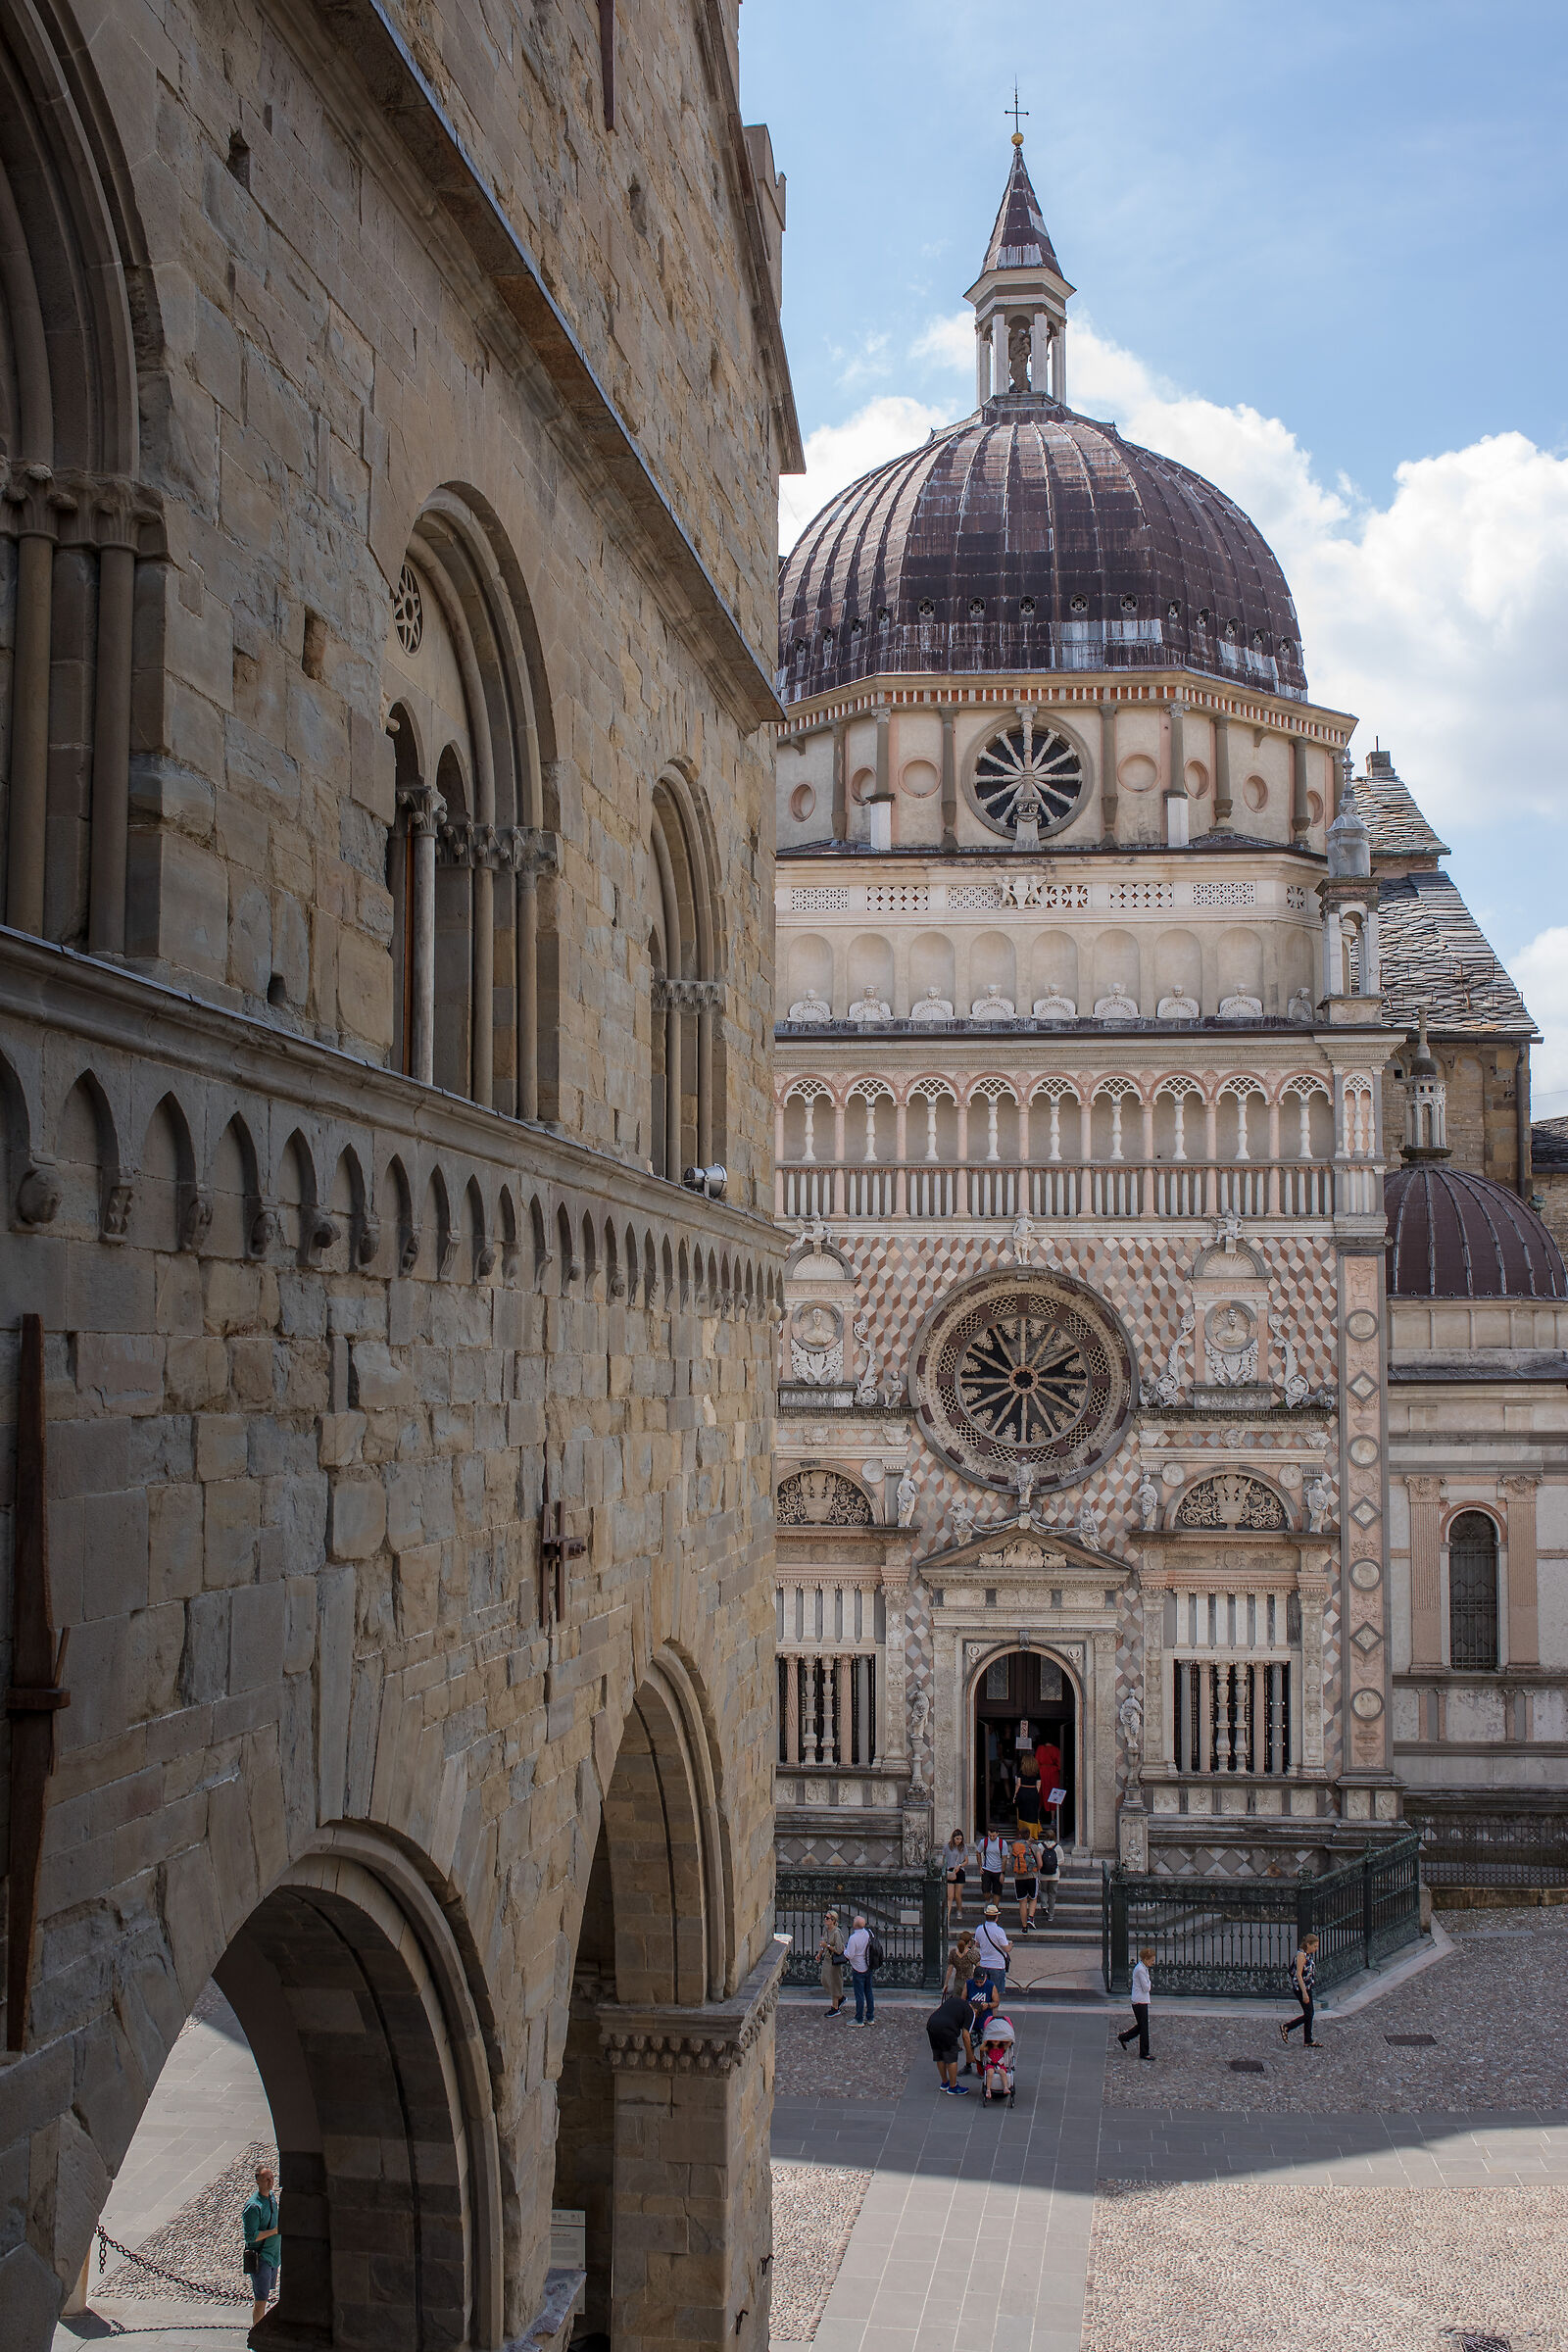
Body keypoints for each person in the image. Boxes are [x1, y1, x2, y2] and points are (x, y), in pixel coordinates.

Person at [242, 2162, 281, 2326]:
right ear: (257, 2181)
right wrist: (275, 2231)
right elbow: (250, 2236)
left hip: (274, 2256)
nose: (270, 2182)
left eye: (272, 2178)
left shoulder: (271, 2198)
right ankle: (256, 2334)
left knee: (266, 2296)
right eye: (266, 2179)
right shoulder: (253, 2206)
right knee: (261, 2300)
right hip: (261, 2257)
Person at [925, 1989, 975, 2094]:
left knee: (939, 2054)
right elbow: (966, 2036)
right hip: (947, 2028)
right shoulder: (971, 2012)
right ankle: (953, 2087)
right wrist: (969, 2054)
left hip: (932, 2023)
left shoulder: (955, 2000)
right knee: (951, 2057)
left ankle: (944, 2083)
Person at [1281, 1932, 1321, 2049]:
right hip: (1301, 1989)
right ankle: (1287, 2027)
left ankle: (1308, 2039)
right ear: (1308, 1944)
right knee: (1308, 2014)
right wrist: (1304, 1993)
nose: (1316, 1948)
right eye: (1315, 1946)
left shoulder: (1308, 1954)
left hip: (1308, 1987)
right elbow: (1298, 1975)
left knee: (1310, 2013)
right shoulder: (1301, 1955)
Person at [1117, 1946, 1155, 2061]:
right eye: (1151, 1960)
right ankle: (1144, 2052)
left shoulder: (1142, 1968)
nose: (1153, 1963)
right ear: (1145, 1959)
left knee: (1141, 2026)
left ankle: (1123, 2037)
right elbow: (1146, 1987)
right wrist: (1150, 1982)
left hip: (1140, 2000)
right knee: (1144, 2028)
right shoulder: (1140, 1970)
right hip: (1140, 2001)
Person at [844, 1913, 875, 2026]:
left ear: (855, 1925)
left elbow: (850, 1955)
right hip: (868, 1966)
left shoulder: (853, 1938)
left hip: (858, 1967)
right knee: (869, 1992)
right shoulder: (868, 1933)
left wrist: (844, 1950)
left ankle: (859, 2019)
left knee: (859, 1994)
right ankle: (870, 2017)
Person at [974, 1904, 1011, 1998]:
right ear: (996, 1917)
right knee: (996, 1995)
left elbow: (977, 1944)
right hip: (997, 1966)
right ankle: (993, 2012)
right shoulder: (999, 1931)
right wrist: (1011, 1945)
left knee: (984, 1994)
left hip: (984, 1964)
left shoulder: (979, 1929)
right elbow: (1006, 1949)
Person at [817, 1910, 846, 2016]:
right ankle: (840, 1997)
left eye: (828, 1918)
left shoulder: (837, 1933)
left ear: (833, 1920)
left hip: (834, 1960)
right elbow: (823, 1943)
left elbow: (839, 1949)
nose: (825, 1919)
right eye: (825, 1917)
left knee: (834, 1982)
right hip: (827, 1959)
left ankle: (835, 2007)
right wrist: (820, 1953)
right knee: (825, 1980)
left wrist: (827, 1946)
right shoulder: (826, 1930)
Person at [1011, 1832, 1040, 1932]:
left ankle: (1024, 1927)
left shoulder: (1014, 1847)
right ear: (1029, 1836)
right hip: (1032, 1875)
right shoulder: (1034, 1847)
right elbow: (1040, 1863)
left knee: (1022, 1902)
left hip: (1019, 1877)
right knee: (1033, 1897)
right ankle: (1030, 1917)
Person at [1014, 1754, 1044, 1838]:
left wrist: (1015, 1796)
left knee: (1022, 1814)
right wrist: (1034, 1793)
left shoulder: (1021, 1772)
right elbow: (1038, 1785)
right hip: (1033, 1793)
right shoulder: (1036, 1772)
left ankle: (1022, 1833)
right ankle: (1032, 1834)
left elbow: (1018, 1785)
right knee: (1033, 1814)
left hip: (1022, 1793)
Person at [944, 1930, 977, 1999]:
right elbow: (978, 1967)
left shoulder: (953, 1952)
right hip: (969, 1982)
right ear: (969, 1942)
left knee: (957, 2004)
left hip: (958, 1982)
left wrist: (946, 1984)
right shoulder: (971, 1954)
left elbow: (949, 1970)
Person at [943, 1828, 968, 1923]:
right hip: (950, 1871)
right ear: (953, 1838)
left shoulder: (963, 1847)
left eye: (960, 1839)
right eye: (957, 1839)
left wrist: (960, 1865)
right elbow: (944, 1859)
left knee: (958, 1895)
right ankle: (947, 1917)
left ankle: (959, 1910)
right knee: (950, 1896)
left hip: (960, 1871)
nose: (959, 1841)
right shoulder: (947, 1847)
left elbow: (966, 1861)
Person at [977, 1825, 1006, 1900]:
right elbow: (978, 1852)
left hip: (998, 1870)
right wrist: (980, 1866)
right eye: (990, 1836)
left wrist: (1003, 1873)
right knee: (985, 1890)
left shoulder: (1002, 1843)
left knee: (997, 1892)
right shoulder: (983, 1842)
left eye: (993, 1836)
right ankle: (988, 1903)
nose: (992, 1838)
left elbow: (1004, 1859)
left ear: (997, 1834)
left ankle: (995, 1908)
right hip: (987, 1869)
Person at [1038, 1834, 1059, 1924]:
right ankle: (1051, 1915)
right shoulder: (1058, 1847)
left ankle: (1044, 1905)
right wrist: (1054, 1864)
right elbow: (1061, 1859)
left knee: (1043, 1890)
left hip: (1043, 1874)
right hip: (1054, 1875)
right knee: (1052, 1894)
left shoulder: (1040, 1846)